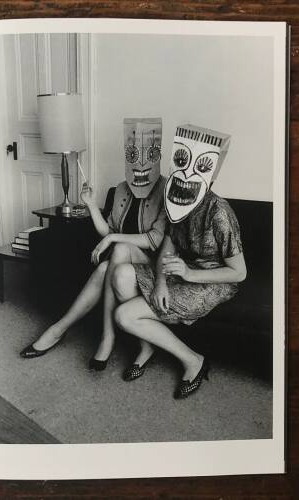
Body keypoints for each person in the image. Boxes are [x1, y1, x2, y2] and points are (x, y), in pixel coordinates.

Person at [20, 118, 167, 378]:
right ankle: (60, 329)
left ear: (157, 156)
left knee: (118, 249)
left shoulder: (166, 190)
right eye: (133, 156)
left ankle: (104, 337)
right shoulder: (121, 189)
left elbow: (155, 239)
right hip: (122, 264)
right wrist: (90, 204)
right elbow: (107, 231)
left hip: (152, 265)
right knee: (104, 267)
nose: (140, 164)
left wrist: (113, 240)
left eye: (149, 156)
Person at [111, 124, 246, 399]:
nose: (186, 174)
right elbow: (168, 247)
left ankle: (193, 360)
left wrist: (190, 274)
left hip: (211, 281)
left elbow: (239, 273)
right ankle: (146, 345)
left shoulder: (219, 213)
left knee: (123, 315)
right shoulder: (177, 201)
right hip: (180, 271)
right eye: (182, 162)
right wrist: (160, 282)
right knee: (120, 275)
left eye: (200, 167)